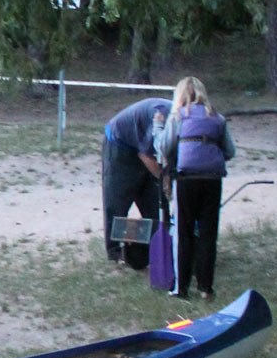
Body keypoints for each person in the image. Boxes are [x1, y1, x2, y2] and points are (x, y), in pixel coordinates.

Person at [154, 76, 235, 300]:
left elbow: (163, 145)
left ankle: (181, 288)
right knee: (208, 234)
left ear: (179, 95)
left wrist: (158, 125)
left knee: (184, 233)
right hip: (212, 180)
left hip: (186, 179)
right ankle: (206, 288)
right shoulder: (217, 118)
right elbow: (230, 152)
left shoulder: (179, 115)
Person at [101, 96, 172, 270]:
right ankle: (116, 252)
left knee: (155, 203)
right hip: (119, 144)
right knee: (118, 200)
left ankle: (159, 245)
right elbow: (145, 154)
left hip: (142, 147)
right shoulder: (161, 116)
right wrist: (164, 180)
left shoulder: (181, 122)